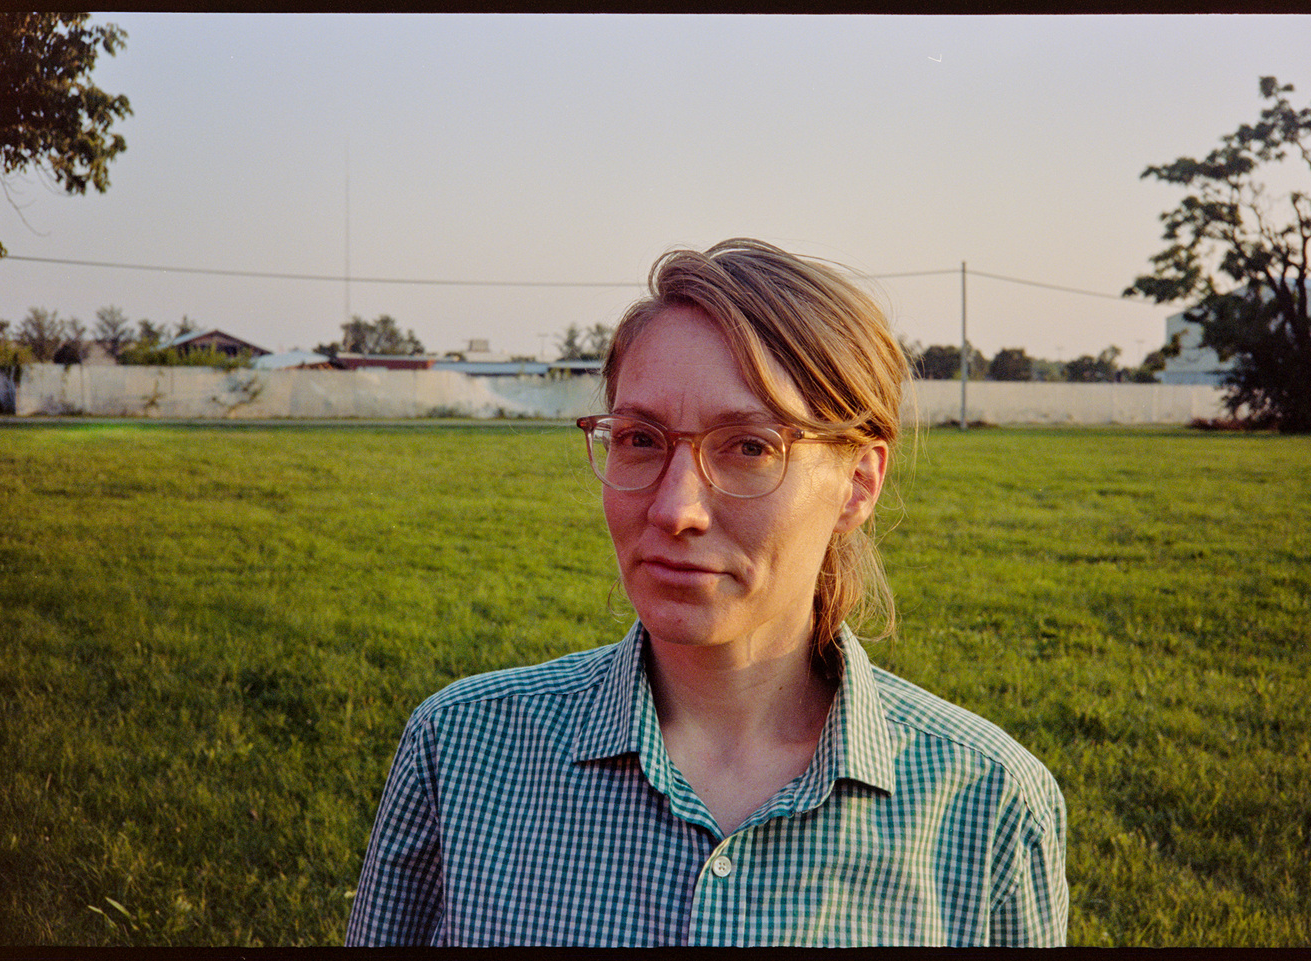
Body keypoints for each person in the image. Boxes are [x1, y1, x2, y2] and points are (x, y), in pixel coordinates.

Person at [345, 238, 1068, 946]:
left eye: (751, 446)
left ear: (858, 483)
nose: (673, 509)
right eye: (640, 439)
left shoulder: (989, 803)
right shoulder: (463, 749)